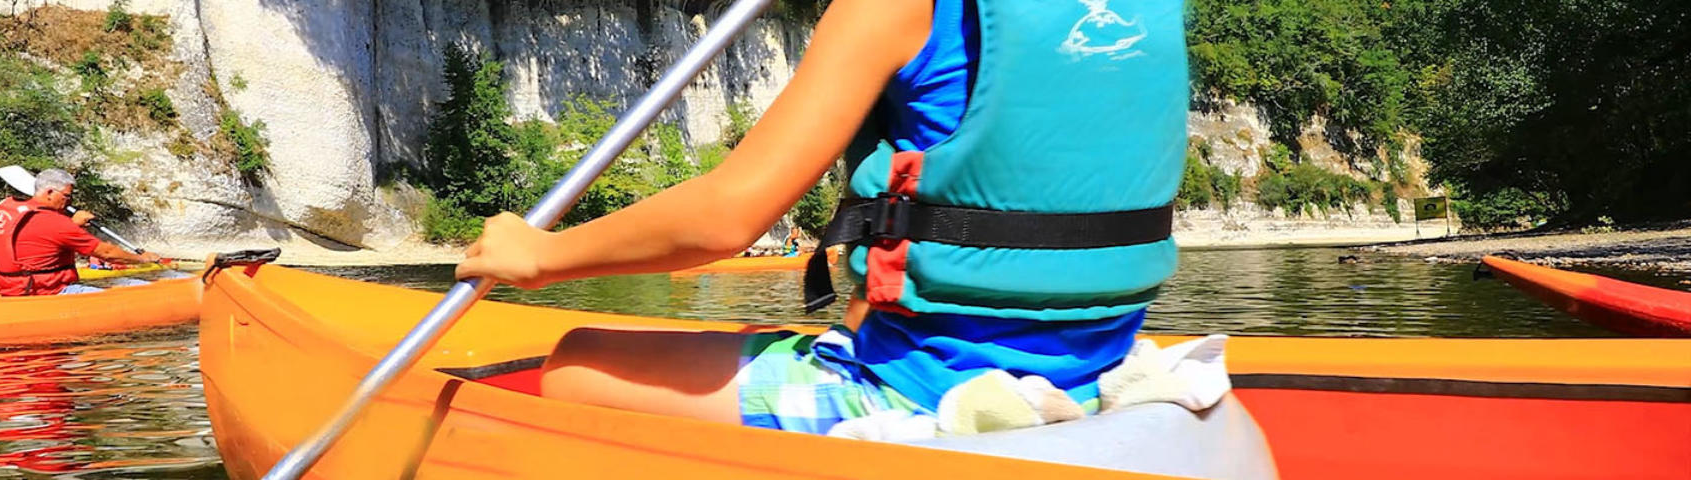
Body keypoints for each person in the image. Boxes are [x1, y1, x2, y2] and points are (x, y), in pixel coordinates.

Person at [457, 0, 1183, 435]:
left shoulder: (895, 8)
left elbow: (725, 218)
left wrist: (537, 256)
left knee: (576, 365)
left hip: (927, 393)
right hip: (1101, 368)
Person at [0, 169, 161, 296]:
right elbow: (106, 253)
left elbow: (40, 236)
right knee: (133, 285)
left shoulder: (6, 207)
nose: (69, 201)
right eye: (67, 196)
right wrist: (142, 258)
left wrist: (71, 224)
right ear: (49, 192)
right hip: (51, 292)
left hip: (12, 291)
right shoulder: (57, 224)